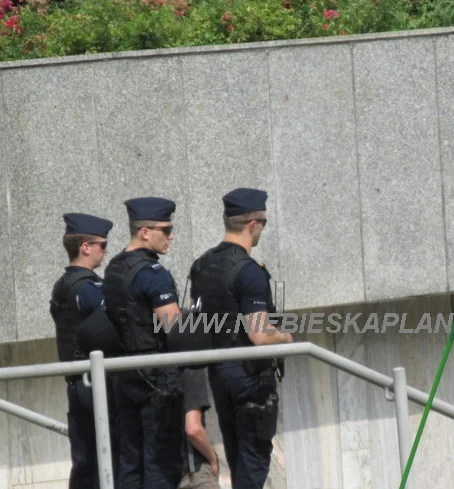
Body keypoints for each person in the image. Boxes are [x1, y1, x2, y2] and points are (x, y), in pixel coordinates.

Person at [189, 188, 292, 489]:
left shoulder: (201, 266)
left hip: (218, 371)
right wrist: (285, 337)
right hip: (249, 375)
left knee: (237, 457)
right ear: (252, 224)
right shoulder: (249, 272)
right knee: (254, 460)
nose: (262, 229)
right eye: (264, 223)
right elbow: (259, 335)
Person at [102, 197, 184, 489]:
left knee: (130, 463)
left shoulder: (113, 268)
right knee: (160, 464)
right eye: (166, 229)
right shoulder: (153, 273)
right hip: (156, 378)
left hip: (124, 377)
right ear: (145, 232)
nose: (171, 235)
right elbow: (174, 326)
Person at [50, 213, 115, 489]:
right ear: (85, 247)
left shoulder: (62, 285)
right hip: (95, 384)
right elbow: (117, 323)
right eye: (102, 244)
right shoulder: (88, 289)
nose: (106, 250)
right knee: (108, 458)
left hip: (77, 382)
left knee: (85, 460)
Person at [179, 368, 221, 489]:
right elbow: (193, 430)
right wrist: (213, 458)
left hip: (163, 471)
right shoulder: (192, 371)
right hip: (195, 470)